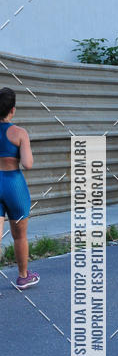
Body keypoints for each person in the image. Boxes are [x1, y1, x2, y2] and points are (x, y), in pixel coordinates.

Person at [0, 87, 39, 289]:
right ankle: (23, 276)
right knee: (19, 235)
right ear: (12, 110)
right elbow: (28, 163)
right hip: (13, 184)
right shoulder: (19, 133)